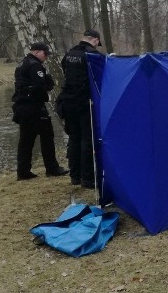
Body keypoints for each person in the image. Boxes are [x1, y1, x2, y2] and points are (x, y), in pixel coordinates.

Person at [11, 42, 68, 180]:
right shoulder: (35, 65)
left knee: (25, 140)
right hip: (35, 107)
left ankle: (23, 171)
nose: (47, 57)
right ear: (36, 52)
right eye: (45, 53)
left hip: (22, 106)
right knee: (47, 137)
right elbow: (40, 87)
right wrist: (47, 90)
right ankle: (52, 168)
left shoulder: (21, 64)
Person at [56, 29, 102, 189]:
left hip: (68, 101)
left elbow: (66, 72)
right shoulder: (93, 55)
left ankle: (75, 176)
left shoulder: (69, 54)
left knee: (74, 139)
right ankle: (88, 179)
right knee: (86, 140)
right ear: (95, 40)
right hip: (84, 102)